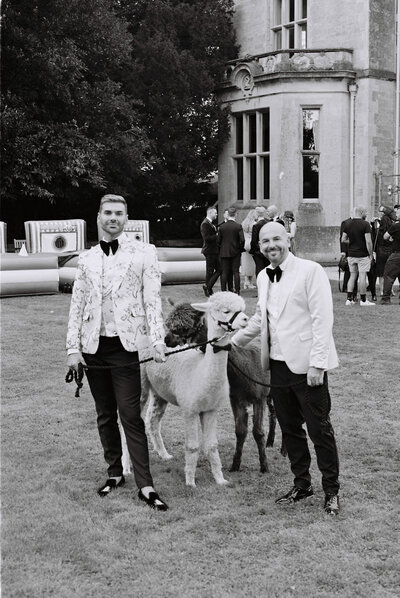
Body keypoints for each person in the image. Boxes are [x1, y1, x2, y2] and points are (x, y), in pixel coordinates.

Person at [66, 194, 169, 511]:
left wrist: (158, 339)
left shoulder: (144, 253)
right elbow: (77, 305)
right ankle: (114, 474)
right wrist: (73, 349)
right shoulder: (86, 259)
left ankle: (146, 485)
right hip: (93, 347)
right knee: (105, 415)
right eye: (108, 212)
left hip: (126, 347)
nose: (113, 217)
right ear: (98, 216)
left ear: (127, 219)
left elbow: (152, 299)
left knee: (130, 415)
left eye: (119, 213)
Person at [231, 221, 340, 515]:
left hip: (307, 367)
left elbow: (322, 320)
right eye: (265, 241)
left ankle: (331, 490)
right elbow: (259, 319)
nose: (271, 246)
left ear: (287, 240)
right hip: (277, 367)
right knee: (290, 430)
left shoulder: (310, 271)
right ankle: (302, 485)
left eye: (276, 239)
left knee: (320, 430)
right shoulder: (264, 276)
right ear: (260, 246)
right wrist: (230, 342)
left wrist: (318, 364)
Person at [341, 206, 375, 306]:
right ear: (361, 212)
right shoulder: (365, 224)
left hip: (351, 254)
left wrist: (351, 242)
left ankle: (349, 299)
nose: (366, 213)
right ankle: (363, 300)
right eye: (365, 212)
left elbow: (343, 239)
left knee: (352, 276)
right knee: (362, 276)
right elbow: (368, 241)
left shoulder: (347, 224)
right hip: (363, 254)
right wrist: (371, 254)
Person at [218, 206, 245, 294]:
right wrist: (240, 249)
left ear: (228, 214)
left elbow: (218, 241)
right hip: (235, 252)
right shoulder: (238, 226)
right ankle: (237, 290)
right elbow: (242, 240)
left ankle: (223, 290)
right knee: (236, 272)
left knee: (224, 272)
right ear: (235, 214)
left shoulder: (222, 227)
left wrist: (221, 249)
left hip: (224, 252)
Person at [374, 205, 397, 297]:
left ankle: (382, 291)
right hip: (390, 251)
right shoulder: (392, 228)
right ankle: (390, 290)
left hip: (381, 251)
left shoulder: (378, 230)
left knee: (381, 273)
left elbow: (376, 241)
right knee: (390, 272)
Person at [380, 203, 400, 304]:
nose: (396, 214)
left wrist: (393, 237)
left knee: (389, 276)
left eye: (397, 213)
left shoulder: (395, 226)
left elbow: (385, 237)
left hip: (396, 254)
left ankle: (386, 298)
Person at [200, 206, 221, 297]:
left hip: (213, 250)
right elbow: (207, 238)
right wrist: (217, 235)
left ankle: (208, 287)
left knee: (219, 269)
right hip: (209, 250)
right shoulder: (205, 224)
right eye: (215, 213)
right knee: (211, 270)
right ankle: (208, 287)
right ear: (210, 213)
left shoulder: (210, 223)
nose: (216, 214)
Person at [250, 206, 270, 276]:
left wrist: (252, 251)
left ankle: (261, 284)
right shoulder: (269, 223)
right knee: (268, 268)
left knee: (260, 269)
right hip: (268, 248)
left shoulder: (256, 225)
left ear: (257, 214)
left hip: (259, 250)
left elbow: (254, 240)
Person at [240, 209, 257, 289]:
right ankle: (248, 282)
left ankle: (246, 282)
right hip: (250, 243)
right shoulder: (254, 223)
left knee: (245, 262)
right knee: (251, 263)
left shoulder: (244, 223)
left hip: (244, 244)